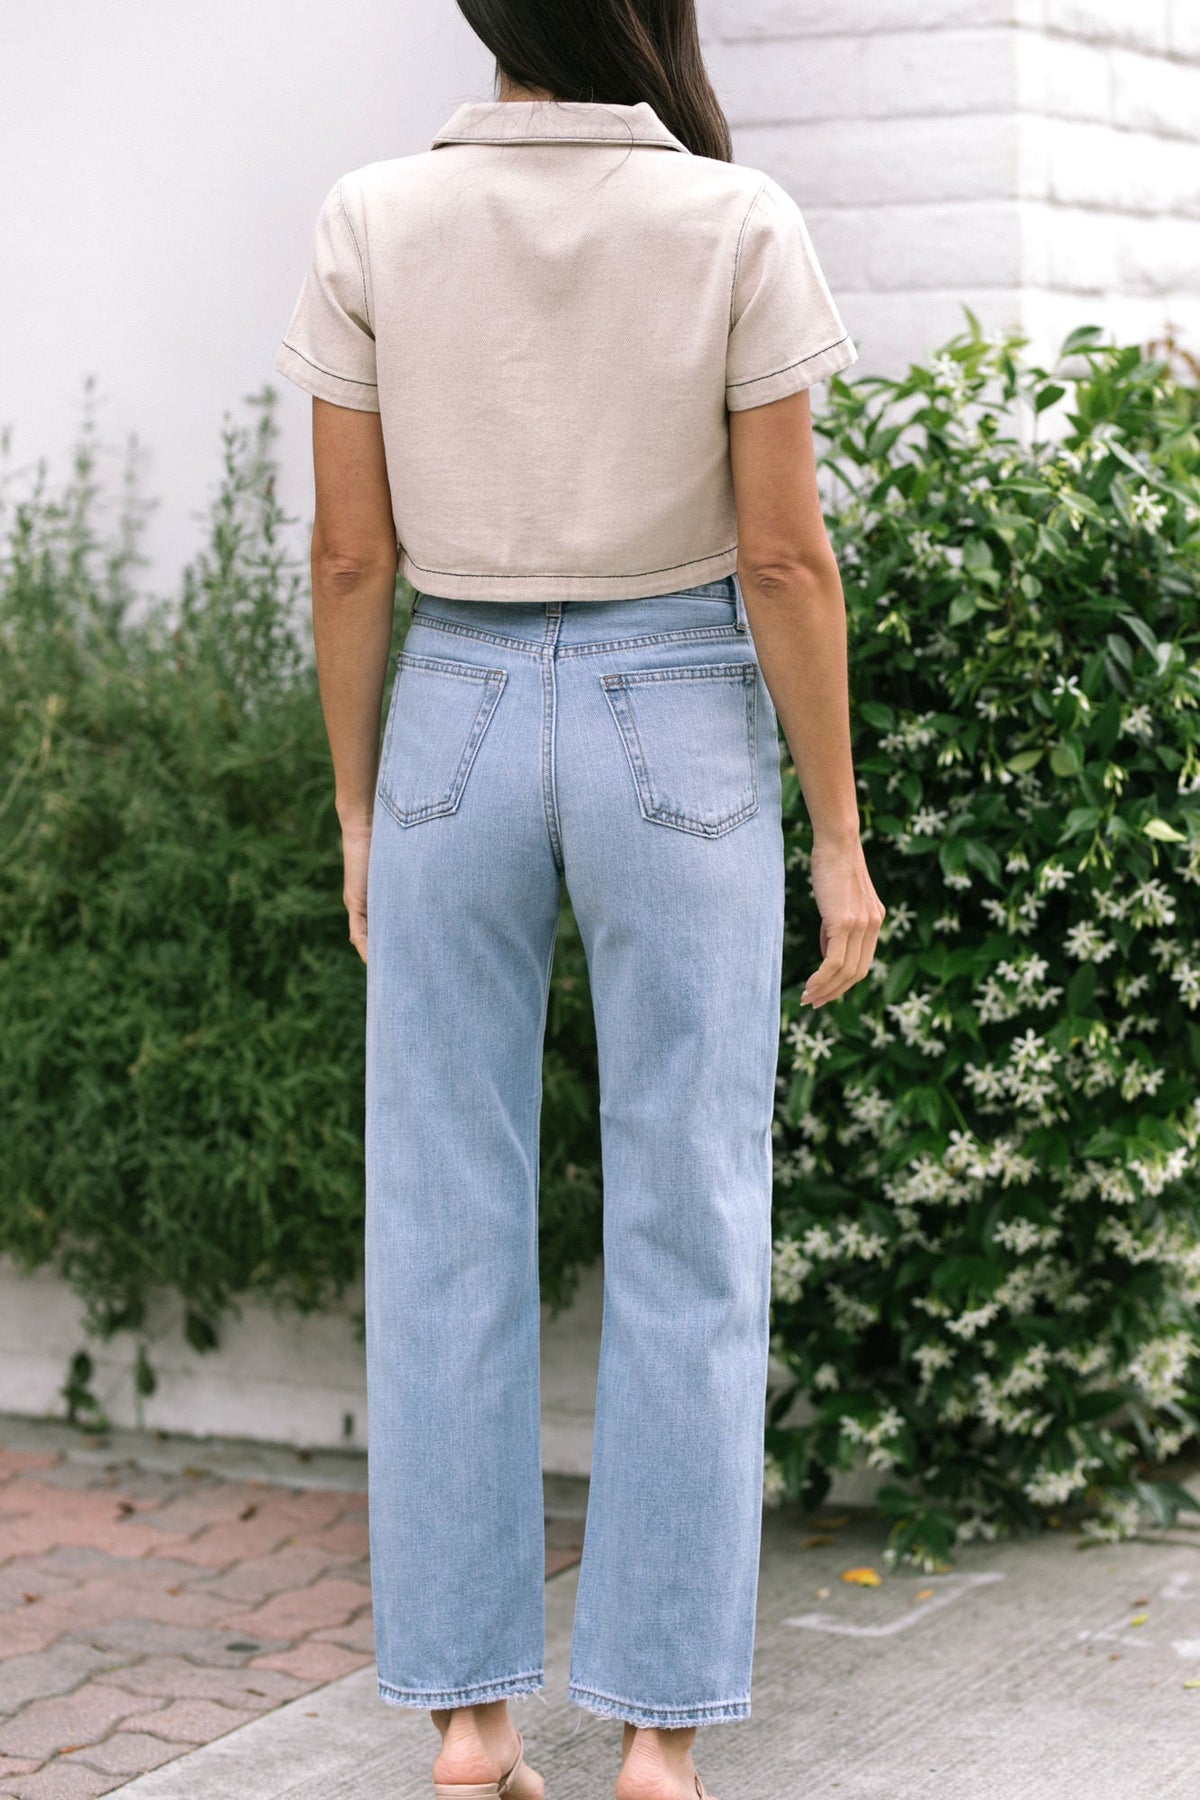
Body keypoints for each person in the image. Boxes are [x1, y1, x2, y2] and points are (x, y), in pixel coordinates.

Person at [273, 4, 885, 1795]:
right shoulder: (733, 220)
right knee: (692, 1216)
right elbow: (784, 556)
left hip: (452, 710)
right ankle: (656, 1746)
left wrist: (358, 807)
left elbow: (349, 555)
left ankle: (469, 1726)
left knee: (442, 1215)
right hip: (676, 714)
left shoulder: (373, 217)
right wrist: (837, 837)